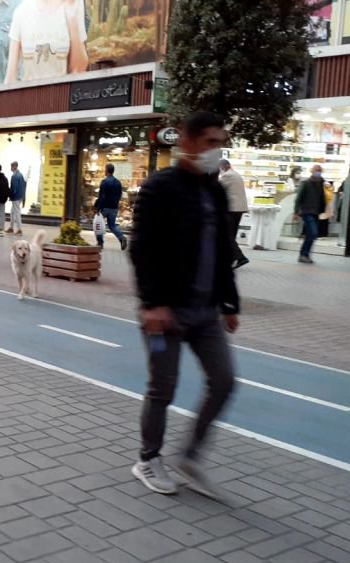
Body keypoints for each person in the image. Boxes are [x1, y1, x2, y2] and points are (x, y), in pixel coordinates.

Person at [129, 111, 240, 497]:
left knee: (224, 381)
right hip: (163, 315)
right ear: (188, 143)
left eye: (220, 141)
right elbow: (141, 249)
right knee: (163, 386)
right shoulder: (160, 188)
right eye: (211, 142)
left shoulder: (215, 191)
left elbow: (224, 249)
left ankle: (189, 456)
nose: (217, 149)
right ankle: (148, 458)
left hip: (205, 312)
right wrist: (151, 304)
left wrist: (230, 303)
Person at [5, 0, 88, 84]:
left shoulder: (71, 6)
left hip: (61, 94)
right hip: (29, 94)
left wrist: (72, 19)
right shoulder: (21, 12)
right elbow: (10, 77)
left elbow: (79, 69)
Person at [218, 159, 249, 269]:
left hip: (232, 209)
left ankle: (240, 257)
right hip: (238, 209)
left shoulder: (228, 175)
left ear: (225, 166)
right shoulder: (236, 174)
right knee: (231, 234)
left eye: (220, 167)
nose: (220, 169)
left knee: (227, 235)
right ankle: (230, 258)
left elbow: (218, 188)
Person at [295, 165, 327, 265]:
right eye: (317, 170)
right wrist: (296, 212)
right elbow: (298, 198)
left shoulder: (321, 183)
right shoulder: (306, 183)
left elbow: (322, 198)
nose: (318, 172)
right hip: (306, 211)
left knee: (310, 234)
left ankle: (305, 255)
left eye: (320, 171)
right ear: (312, 171)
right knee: (313, 233)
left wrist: (324, 210)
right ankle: (304, 254)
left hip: (316, 212)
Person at [94, 164, 128, 250]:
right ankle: (122, 238)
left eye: (105, 170)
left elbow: (101, 196)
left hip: (104, 208)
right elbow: (120, 195)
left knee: (99, 224)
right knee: (112, 225)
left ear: (107, 171)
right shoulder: (118, 182)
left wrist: (98, 208)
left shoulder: (104, 182)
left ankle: (100, 243)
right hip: (114, 208)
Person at [6, 161, 26, 235]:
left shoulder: (14, 176)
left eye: (11, 166)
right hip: (20, 196)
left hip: (16, 197)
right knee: (12, 212)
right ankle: (11, 228)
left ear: (15, 167)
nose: (11, 168)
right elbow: (23, 186)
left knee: (17, 213)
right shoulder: (20, 175)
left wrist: (11, 195)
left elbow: (14, 188)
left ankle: (20, 229)